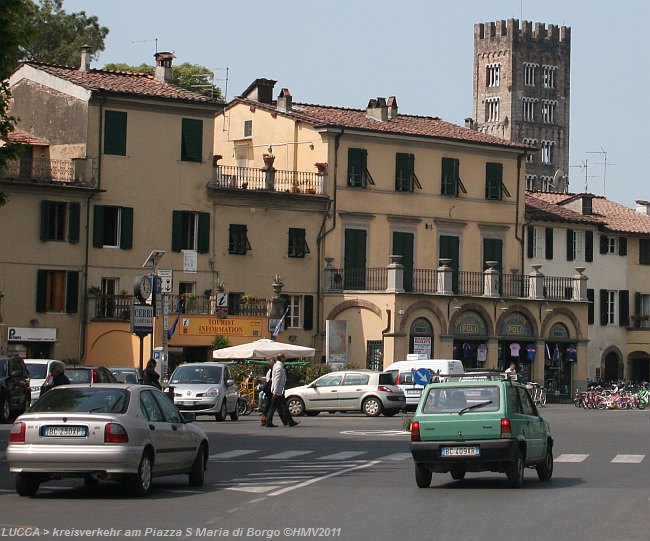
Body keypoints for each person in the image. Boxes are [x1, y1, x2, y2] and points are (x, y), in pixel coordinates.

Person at [265, 354, 299, 427]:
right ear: (282, 358)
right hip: (278, 391)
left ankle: (269, 421)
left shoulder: (276, 365)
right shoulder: (279, 367)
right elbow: (277, 379)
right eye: (284, 358)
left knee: (273, 406)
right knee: (283, 407)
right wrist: (276, 391)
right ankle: (290, 421)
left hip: (277, 390)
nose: (285, 359)